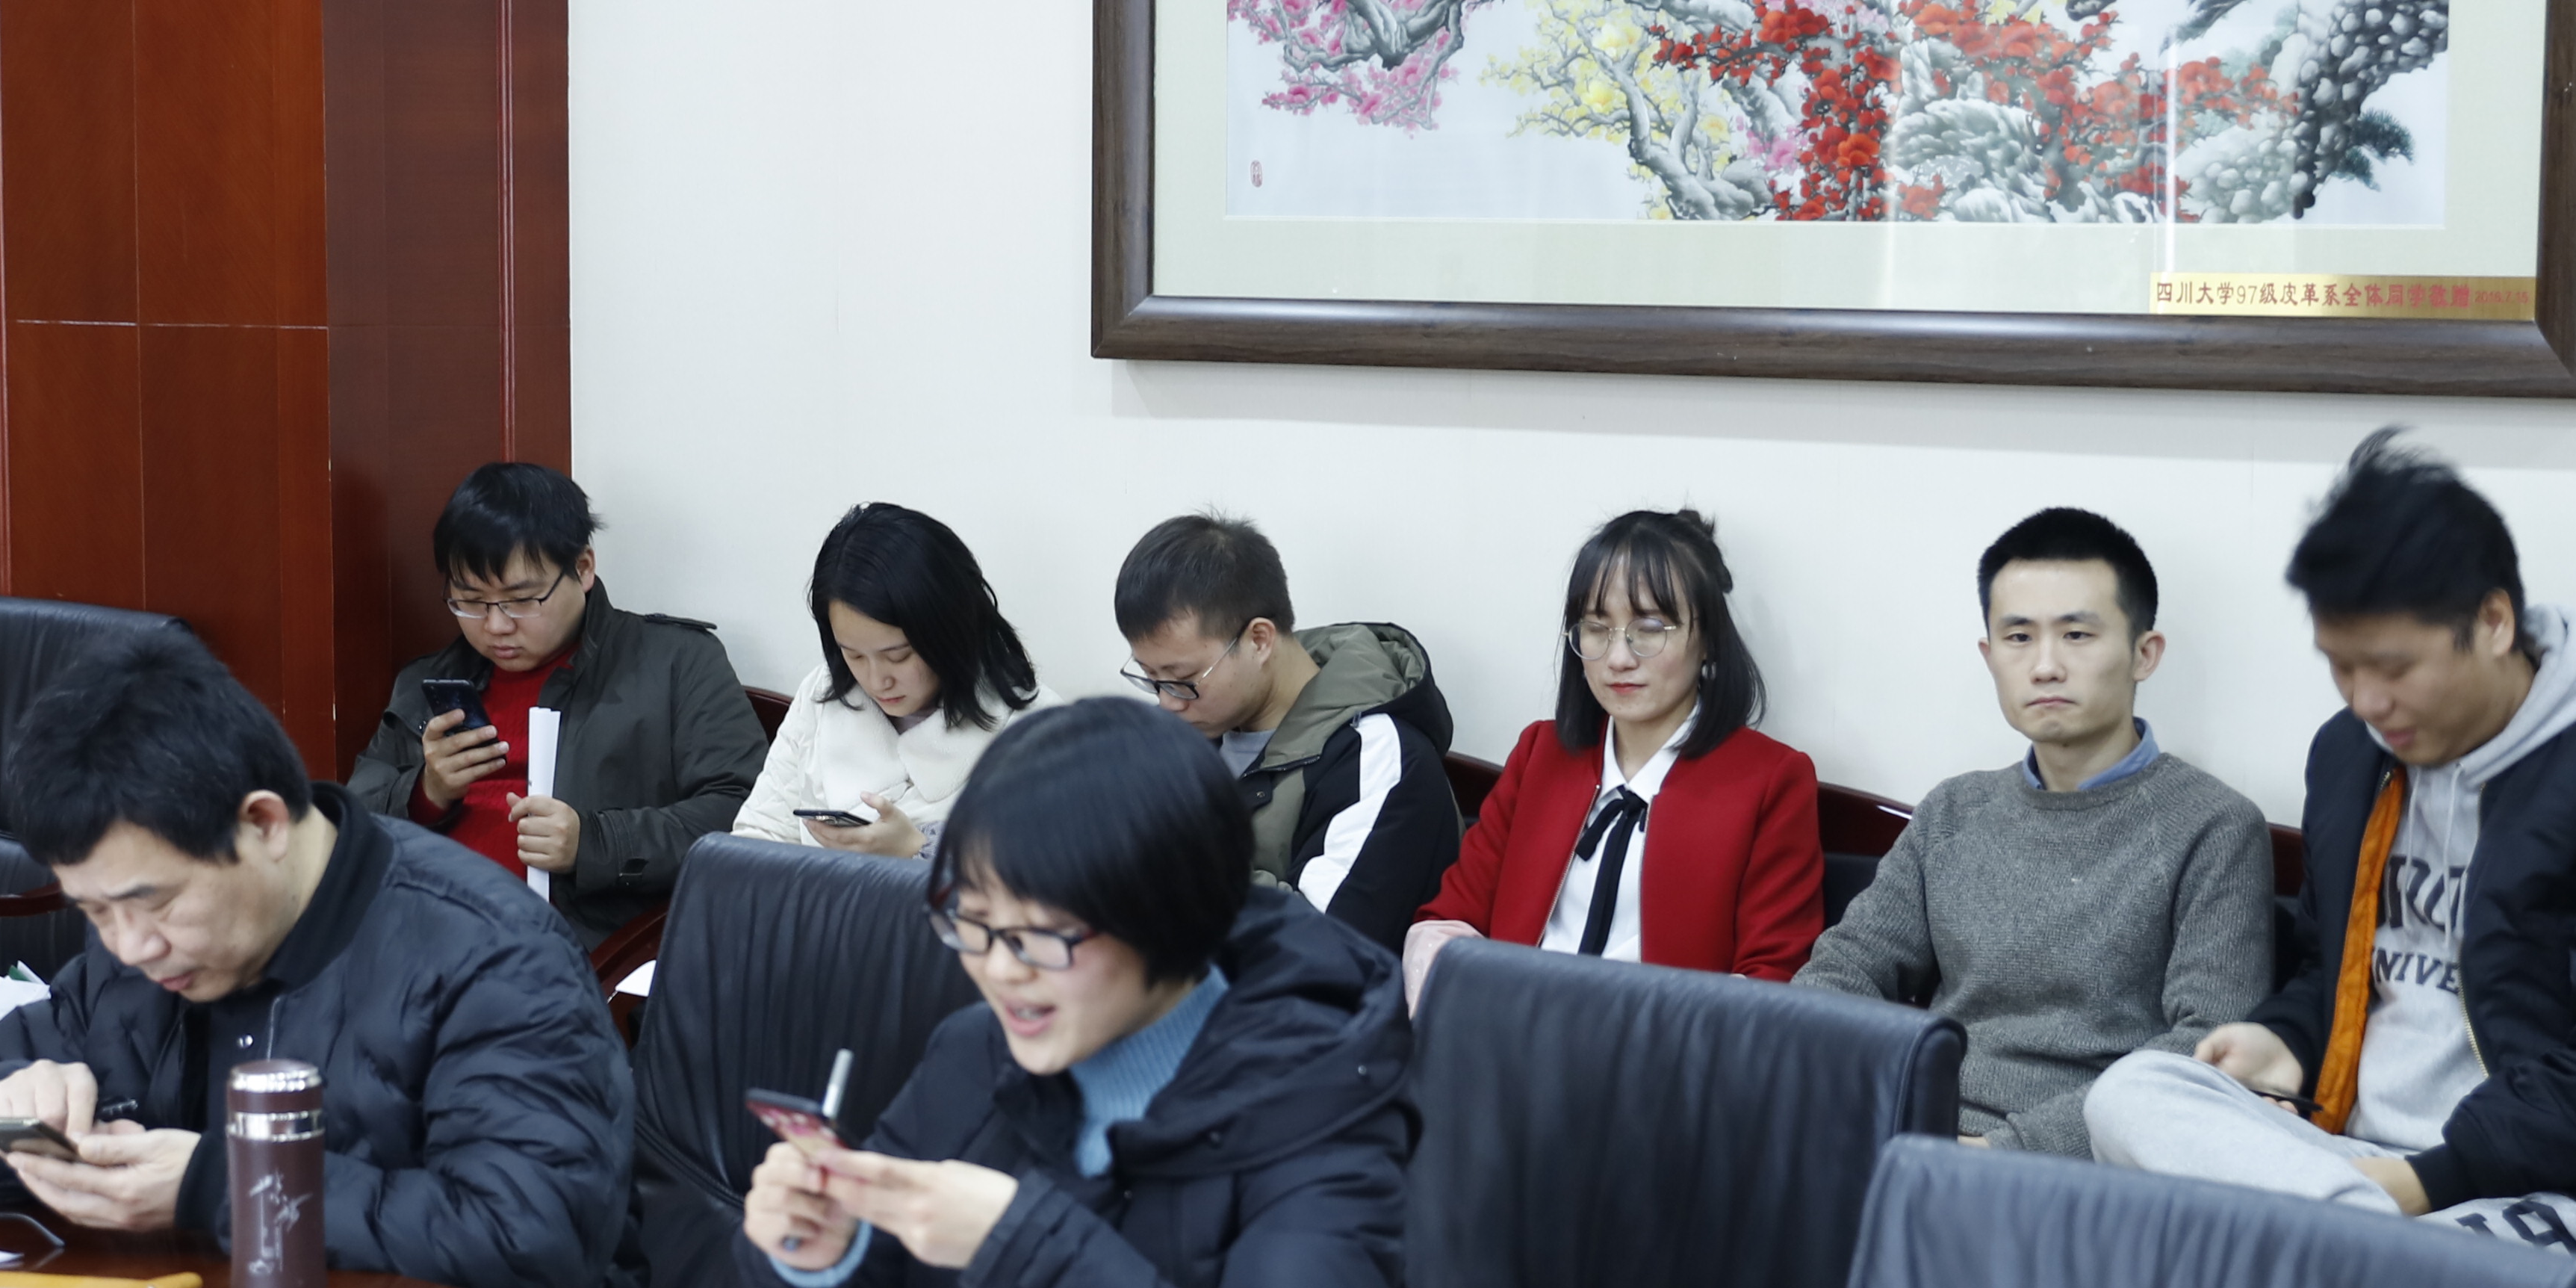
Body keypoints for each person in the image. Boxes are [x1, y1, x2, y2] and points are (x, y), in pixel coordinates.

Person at [2082, 430, 2576, 1288]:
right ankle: (2345, 1252)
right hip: (2345, 1160)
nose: (2366, 701)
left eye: (2394, 666)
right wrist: (2287, 1039)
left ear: (2493, 621)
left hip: (2550, 1197)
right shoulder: (2351, 754)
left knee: (2290, 1286)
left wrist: (2425, 1179)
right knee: (2132, 1092)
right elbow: (2332, 965)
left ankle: (2337, 1260)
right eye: (2341, 666)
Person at [720, 697, 1413, 1288]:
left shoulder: (1316, 1088)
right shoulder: (975, 1055)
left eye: (1040, 936)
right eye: (972, 921)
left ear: (1172, 917)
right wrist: (810, 1262)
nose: (998, 968)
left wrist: (1013, 1241)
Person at [0, 617, 632, 1288]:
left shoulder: (494, 955)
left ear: (262, 824)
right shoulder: (139, 947)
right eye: (95, 911)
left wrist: (225, 1187)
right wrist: (9, 1121)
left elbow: (533, 1241)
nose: (130, 947)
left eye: (154, 903)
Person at [1796, 506, 2276, 1151]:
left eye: (2077, 635)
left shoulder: (2214, 827)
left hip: (2089, 1166)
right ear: (1989, 654)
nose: (2045, 666)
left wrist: (2008, 1153)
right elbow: (1846, 969)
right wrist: (1866, 1109)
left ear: (2144, 654)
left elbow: (2206, 1048)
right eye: (2019, 637)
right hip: (1914, 1132)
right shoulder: (1953, 811)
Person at [342, 460, 767, 954]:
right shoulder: (427, 683)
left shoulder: (676, 662)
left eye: (522, 600)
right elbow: (345, 827)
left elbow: (743, 815)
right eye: (471, 601)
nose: (496, 626)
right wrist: (426, 792)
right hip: (423, 944)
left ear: (582, 569)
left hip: (576, 957)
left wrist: (593, 843)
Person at [1406, 507, 1825, 1000]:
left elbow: (1773, 982)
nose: (1619, 658)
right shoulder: (1541, 754)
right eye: (1596, 627)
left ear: (1708, 639)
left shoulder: (1771, 780)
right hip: (1510, 1027)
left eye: (1650, 628)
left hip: (1663, 1041)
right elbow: (1450, 920)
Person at [1111, 513, 1458, 946]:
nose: (1167, 702)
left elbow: (1325, 947)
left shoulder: (1376, 761)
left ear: (1259, 640)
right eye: (1151, 678)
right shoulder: (1196, 725)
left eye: (1183, 679)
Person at [733, 501, 1043, 858]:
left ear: (951, 631)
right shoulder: (822, 694)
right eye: (854, 655)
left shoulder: (1037, 733)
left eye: (898, 656)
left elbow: (1045, 880)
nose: (877, 681)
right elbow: (756, 836)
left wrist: (916, 852)